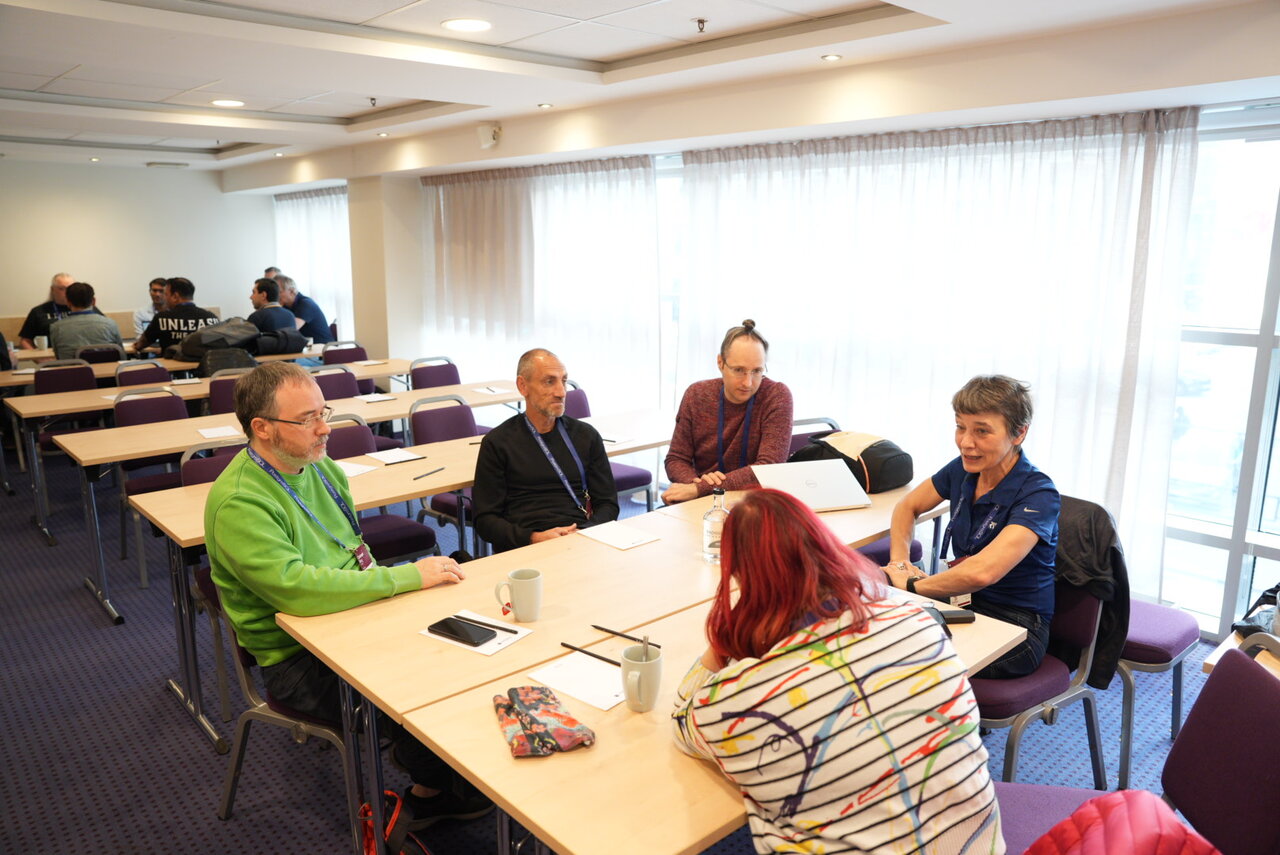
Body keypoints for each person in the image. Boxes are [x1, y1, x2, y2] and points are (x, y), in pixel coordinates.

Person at [205, 362, 492, 827]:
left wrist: (394, 598)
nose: (325, 429)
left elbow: (354, 551)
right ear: (262, 428)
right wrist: (404, 580)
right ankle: (435, 786)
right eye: (308, 419)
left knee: (465, 642)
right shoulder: (241, 500)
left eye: (325, 413)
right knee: (421, 683)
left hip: (354, 616)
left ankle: (450, 768)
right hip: (297, 655)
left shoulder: (319, 467)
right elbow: (299, 591)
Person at [673, 489, 1004, 854]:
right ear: (827, 549)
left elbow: (682, 717)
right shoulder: (916, 620)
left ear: (740, 576)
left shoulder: (738, 702)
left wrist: (726, 637)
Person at [882, 375, 1060, 679]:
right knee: (876, 638)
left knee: (904, 658)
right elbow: (907, 506)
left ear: (1019, 433)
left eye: (982, 431)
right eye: (960, 427)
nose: (966, 442)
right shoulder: (964, 469)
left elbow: (982, 573)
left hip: (1017, 626)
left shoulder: (1039, 494)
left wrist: (911, 586)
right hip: (961, 602)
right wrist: (899, 564)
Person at [472, 348, 618, 552]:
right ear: (523, 386)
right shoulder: (498, 442)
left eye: (563, 381)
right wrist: (533, 538)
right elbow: (485, 520)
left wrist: (584, 532)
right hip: (524, 545)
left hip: (579, 539)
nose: (561, 392)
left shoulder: (586, 436)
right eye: (549, 381)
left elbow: (608, 504)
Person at [662, 319, 793, 504]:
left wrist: (701, 488)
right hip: (700, 501)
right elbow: (676, 459)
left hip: (753, 502)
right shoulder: (697, 394)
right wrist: (694, 486)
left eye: (757, 371)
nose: (748, 382)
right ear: (720, 362)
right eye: (739, 370)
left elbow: (769, 467)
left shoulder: (776, 395)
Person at [134, 277, 218, 352]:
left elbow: (141, 344)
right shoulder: (211, 318)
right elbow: (216, 345)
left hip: (170, 363)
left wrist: (137, 346)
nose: (164, 298)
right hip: (201, 363)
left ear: (175, 296)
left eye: (166, 294)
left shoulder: (162, 318)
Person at [18, 272, 100, 349]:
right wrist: (40, 357)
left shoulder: (87, 308)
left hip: (83, 354)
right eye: (62, 289)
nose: (67, 292)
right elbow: (25, 341)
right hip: (51, 356)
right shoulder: (38, 312)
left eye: (71, 288)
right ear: (52, 289)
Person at [49, 282, 124, 359]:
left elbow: (58, 357)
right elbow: (121, 355)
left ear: (68, 302)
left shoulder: (56, 328)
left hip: (72, 367)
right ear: (94, 301)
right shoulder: (110, 324)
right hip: (108, 366)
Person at [275, 274, 335, 344]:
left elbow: (292, 329)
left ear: (291, 291)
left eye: (279, 292)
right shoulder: (285, 306)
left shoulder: (306, 304)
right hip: (307, 347)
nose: (276, 295)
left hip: (323, 347)